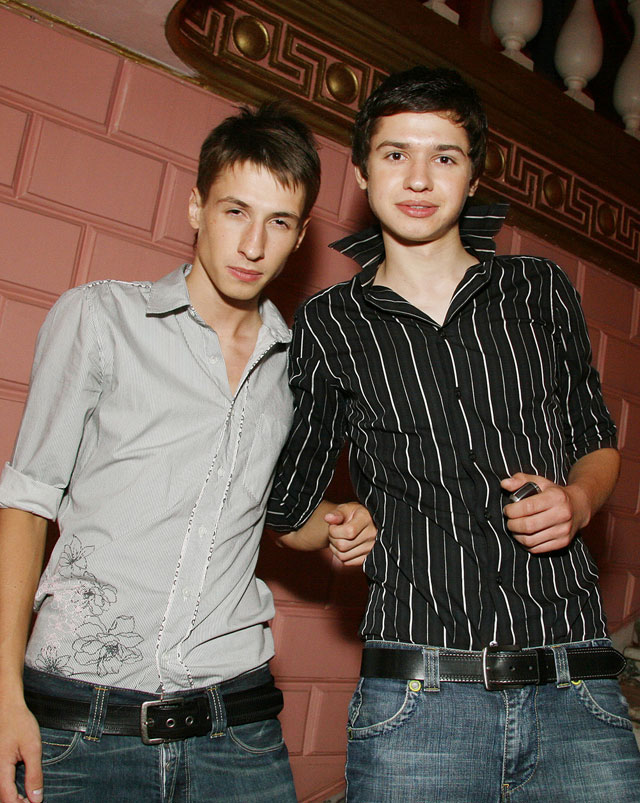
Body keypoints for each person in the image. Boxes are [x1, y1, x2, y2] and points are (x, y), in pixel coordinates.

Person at [266, 67, 640, 801]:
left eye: (444, 156)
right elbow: (287, 509)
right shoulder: (330, 323)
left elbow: (597, 439)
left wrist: (578, 501)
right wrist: (337, 524)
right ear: (362, 172)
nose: (418, 178)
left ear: (473, 177)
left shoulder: (539, 290)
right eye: (395, 153)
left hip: (576, 686)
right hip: (418, 701)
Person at [0, 103, 376, 803]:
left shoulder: (299, 369)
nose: (253, 244)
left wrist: (338, 522)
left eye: (279, 222)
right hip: (81, 723)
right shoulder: (100, 319)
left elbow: (280, 515)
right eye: (236, 211)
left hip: (236, 729)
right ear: (197, 205)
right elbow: (25, 502)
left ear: (300, 238)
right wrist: (2, 697)